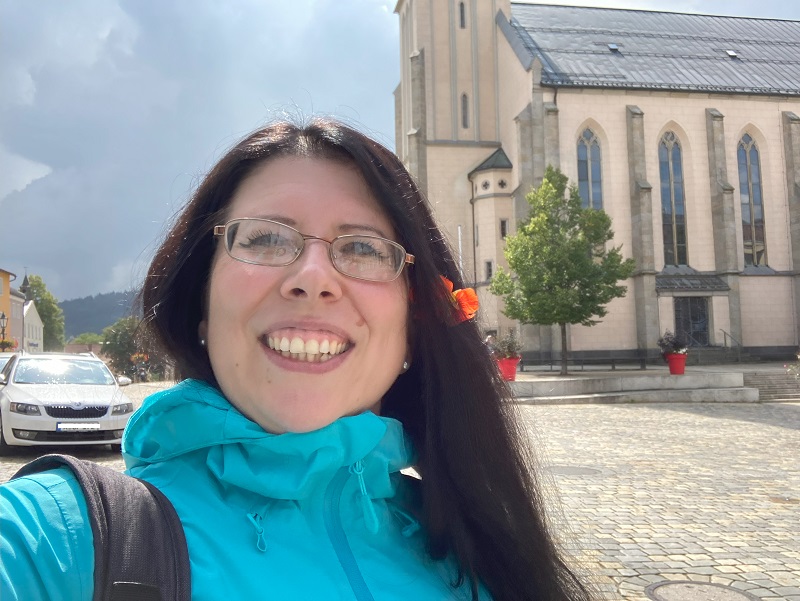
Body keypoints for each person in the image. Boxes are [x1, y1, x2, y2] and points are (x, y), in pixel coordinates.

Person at [0, 119, 592, 600]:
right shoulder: (58, 541)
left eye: (362, 248)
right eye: (264, 238)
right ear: (202, 306)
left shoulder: (479, 544)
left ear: (413, 330)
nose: (313, 277)